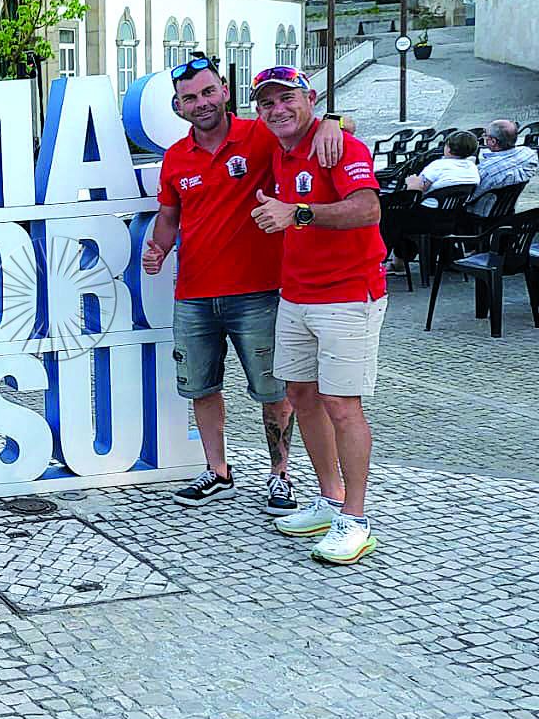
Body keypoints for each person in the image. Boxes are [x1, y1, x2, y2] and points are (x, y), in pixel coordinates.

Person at [143, 58, 342, 515]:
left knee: (275, 391)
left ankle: (280, 476)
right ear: (178, 106)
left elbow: (308, 129)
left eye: (208, 92)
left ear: (225, 91)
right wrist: (158, 248)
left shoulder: (261, 134)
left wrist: (333, 120)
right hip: (193, 294)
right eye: (190, 98)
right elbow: (170, 216)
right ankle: (217, 472)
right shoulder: (176, 156)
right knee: (201, 387)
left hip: (259, 292)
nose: (201, 103)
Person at [249, 66, 387, 566]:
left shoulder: (340, 146)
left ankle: (356, 518)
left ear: (309, 98)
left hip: (348, 294)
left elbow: (368, 209)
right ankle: (330, 500)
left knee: (342, 404)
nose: (277, 109)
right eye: (267, 102)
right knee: (301, 396)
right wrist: (333, 117)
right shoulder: (280, 148)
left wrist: (299, 212)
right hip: (297, 295)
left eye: (287, 98)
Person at [382, 130, 481, 271]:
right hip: (452, 217)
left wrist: (411, 182)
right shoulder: (472, 168)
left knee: (392, 217)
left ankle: (391, 260)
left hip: (427, 218)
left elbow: (419, 189)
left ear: (448, 148)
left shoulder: (438, 166)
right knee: (403, 216)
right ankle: (400, 260)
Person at [470, 119, 537, 214]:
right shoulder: (529, 154)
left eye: (485, 135)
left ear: (493, 141)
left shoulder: (487, 170)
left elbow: (469, 197)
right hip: (507, 210)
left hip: (481, 215)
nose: (484, 137)